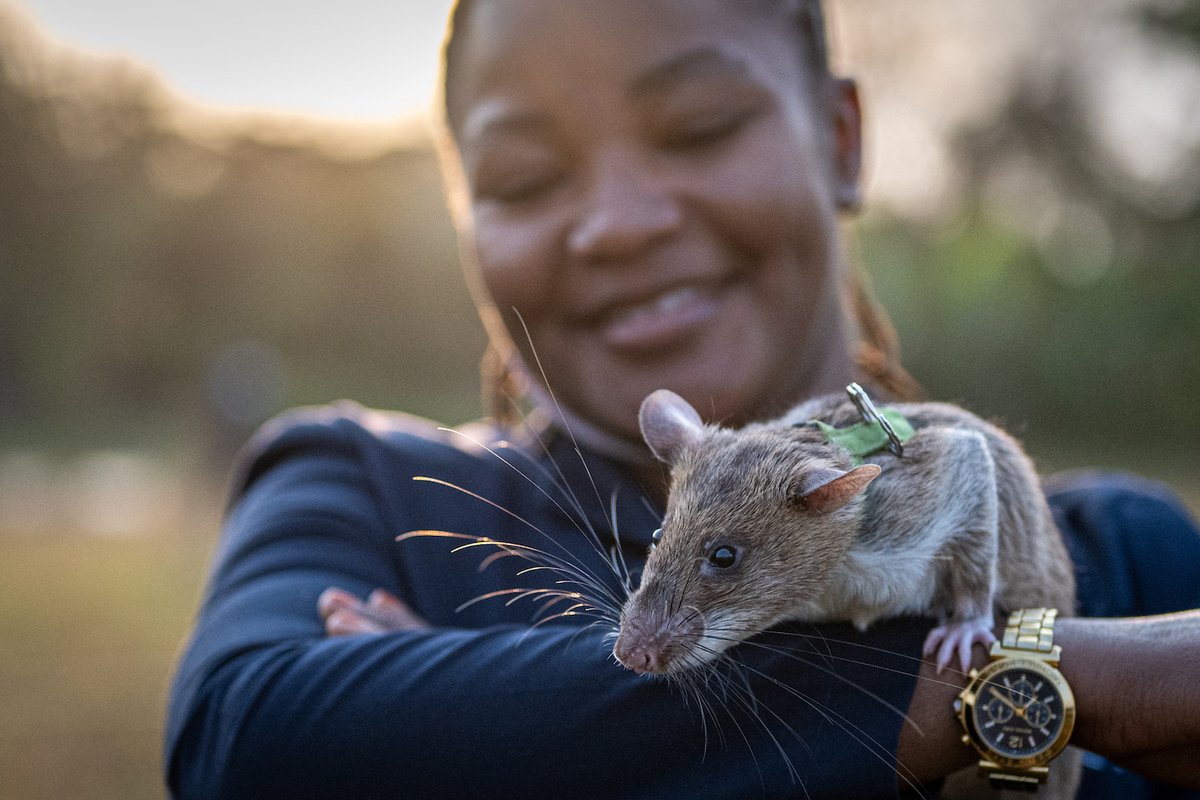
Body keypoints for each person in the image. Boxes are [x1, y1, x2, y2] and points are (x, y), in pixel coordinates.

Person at [165, 1, 1200, 797]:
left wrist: (469, 717)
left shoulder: (1127, 547)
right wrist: (1055, 681)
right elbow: (250, 737)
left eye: (699, 127)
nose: (618, 223)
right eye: (524, 176)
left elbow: (351, 750)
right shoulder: (368, 491)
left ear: (840, 139)